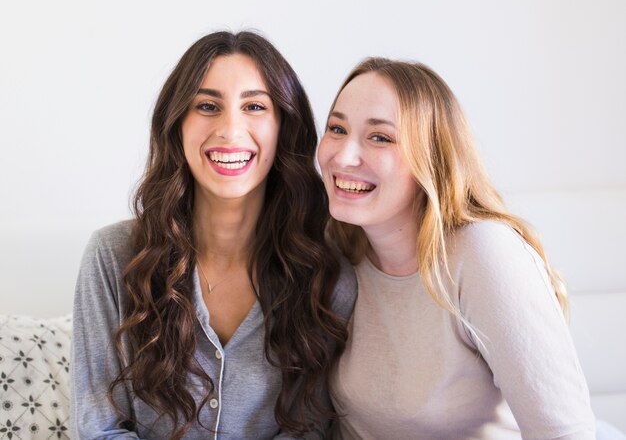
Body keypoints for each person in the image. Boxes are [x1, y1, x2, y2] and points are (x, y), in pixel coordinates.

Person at [71, 31, 356, 440]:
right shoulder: (111, 256)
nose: (229, 129)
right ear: (177, 124)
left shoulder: (328, 274)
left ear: (283, 127)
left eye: (255, 106)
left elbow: (311, 430)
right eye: (207, 106)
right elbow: (99, 428)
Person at [317, 57, 596, 440]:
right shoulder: (338, 248)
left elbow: (566, 434)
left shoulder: (482, 254)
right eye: (336, 128)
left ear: (431, 158)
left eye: (380, 137)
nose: (343, 157)